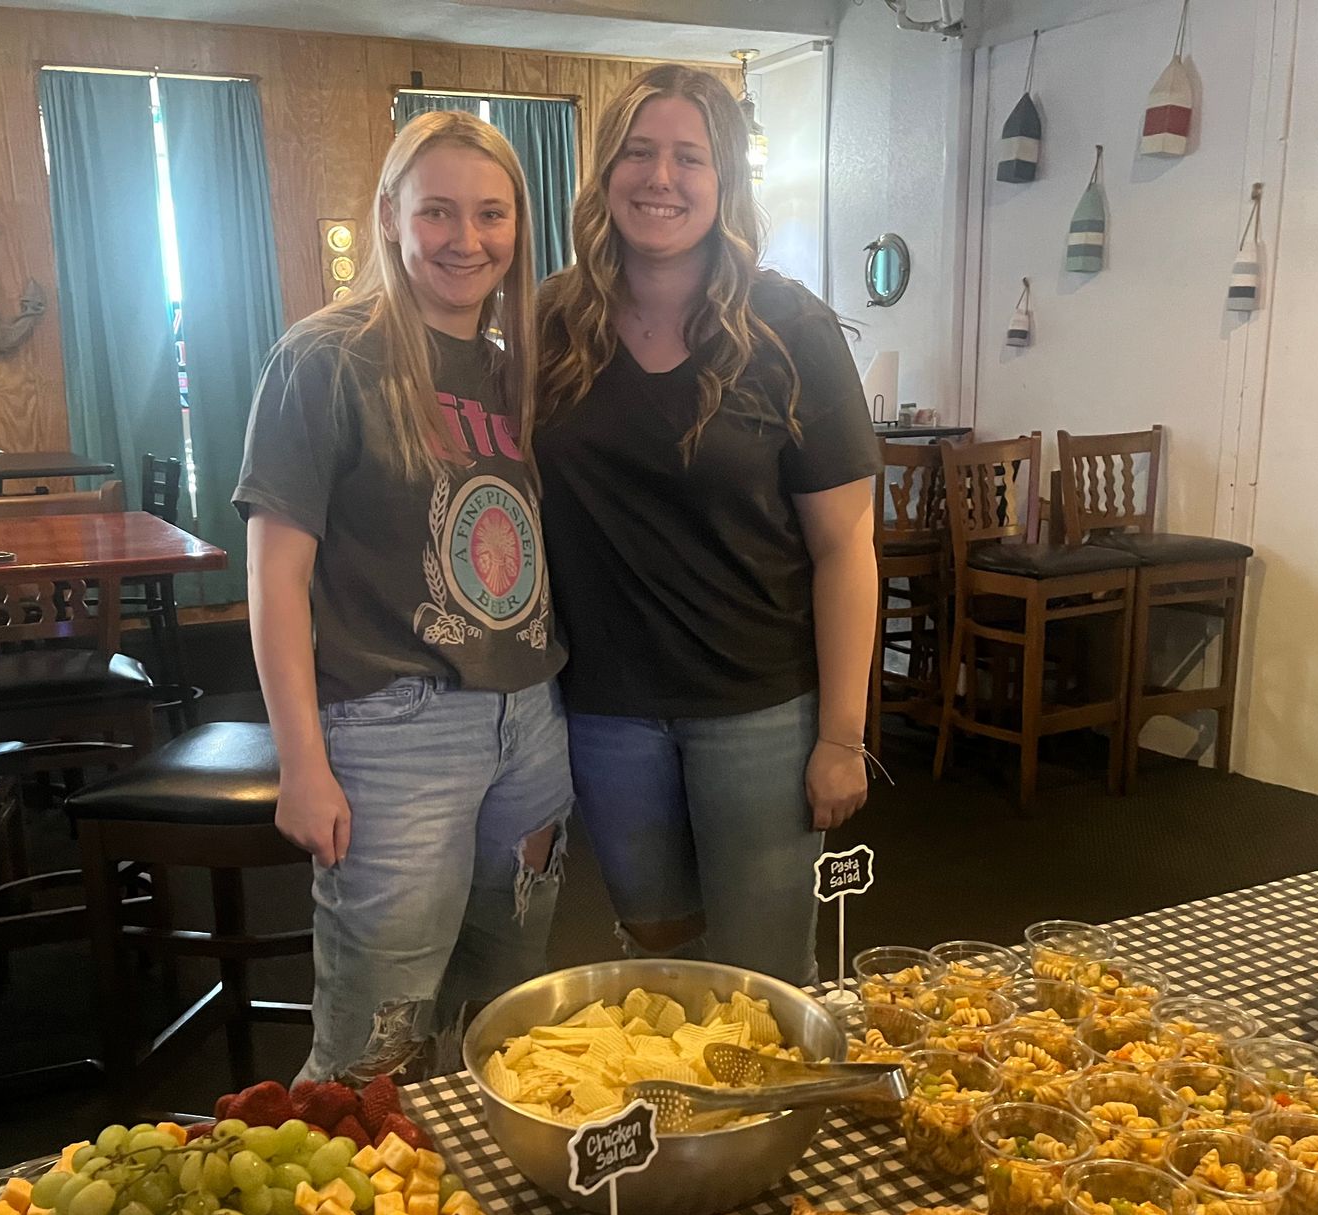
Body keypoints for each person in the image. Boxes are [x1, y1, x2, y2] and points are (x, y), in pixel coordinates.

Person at [236, 111, 568, 1081]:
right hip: (393, 733)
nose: (467, 239)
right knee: (372, 1049)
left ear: (518, 227)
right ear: (388, 215)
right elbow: (275, 578)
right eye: (437, 212)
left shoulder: (517, 372)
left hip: (530, 724)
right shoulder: (323, 359)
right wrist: (302, 764)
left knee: (502, 1027)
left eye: (491, 214)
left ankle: (464, 1181)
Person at [536, 65, 881, 987]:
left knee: (764, 976)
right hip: (606, 708)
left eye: (689, 157)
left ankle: (759, 1093)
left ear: (725, 178)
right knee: (653, 964)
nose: (662, 177)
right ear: (605, 172)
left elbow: (846, 547)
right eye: (639, 153)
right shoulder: (551, 325)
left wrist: (842, 736)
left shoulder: (790, 327)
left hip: (758, 707)